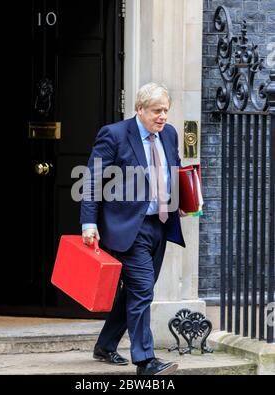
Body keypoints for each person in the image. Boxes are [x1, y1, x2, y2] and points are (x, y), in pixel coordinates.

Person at [80, 82, 186, 375]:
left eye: (166, 110)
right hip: (127, 227)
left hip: (160, 225)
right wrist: (89, 223)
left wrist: (181, 199)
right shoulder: (114, 135)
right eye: (156, 111)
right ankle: (145, 360)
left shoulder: (170, 134)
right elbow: (92, 181)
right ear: (140, 109)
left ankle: (105, 345)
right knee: (141, 289)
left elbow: (172, 171)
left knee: (137, 291)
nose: (163, 116)